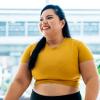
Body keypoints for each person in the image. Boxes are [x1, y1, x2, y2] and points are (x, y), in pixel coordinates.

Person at [4, 4, 99, 100]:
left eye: (49, 18)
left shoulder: (78, 47)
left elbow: (92, 79)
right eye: (41, 19)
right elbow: (20, 81)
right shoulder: (31, 49)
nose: (43, 22)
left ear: (62, 23)